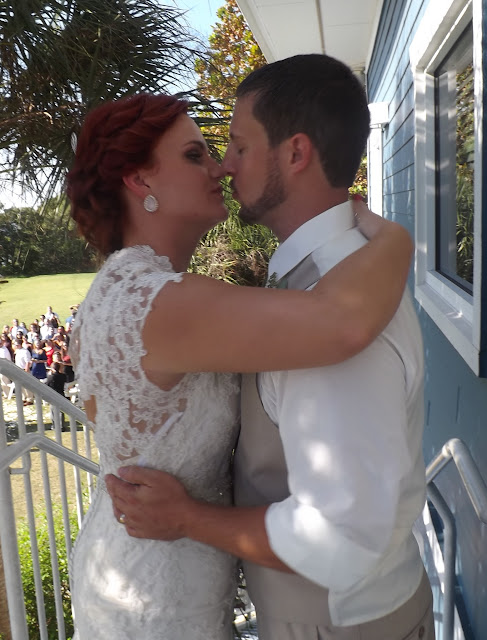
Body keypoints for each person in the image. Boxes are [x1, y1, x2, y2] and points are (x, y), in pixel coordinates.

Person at [107, 55, 434, 640]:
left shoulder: (329, 311)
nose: (225, 165)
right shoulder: (334, 283)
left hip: (338, 623)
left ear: (295, 153)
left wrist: (186, 518)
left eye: (238, 145)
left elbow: (340, 536)